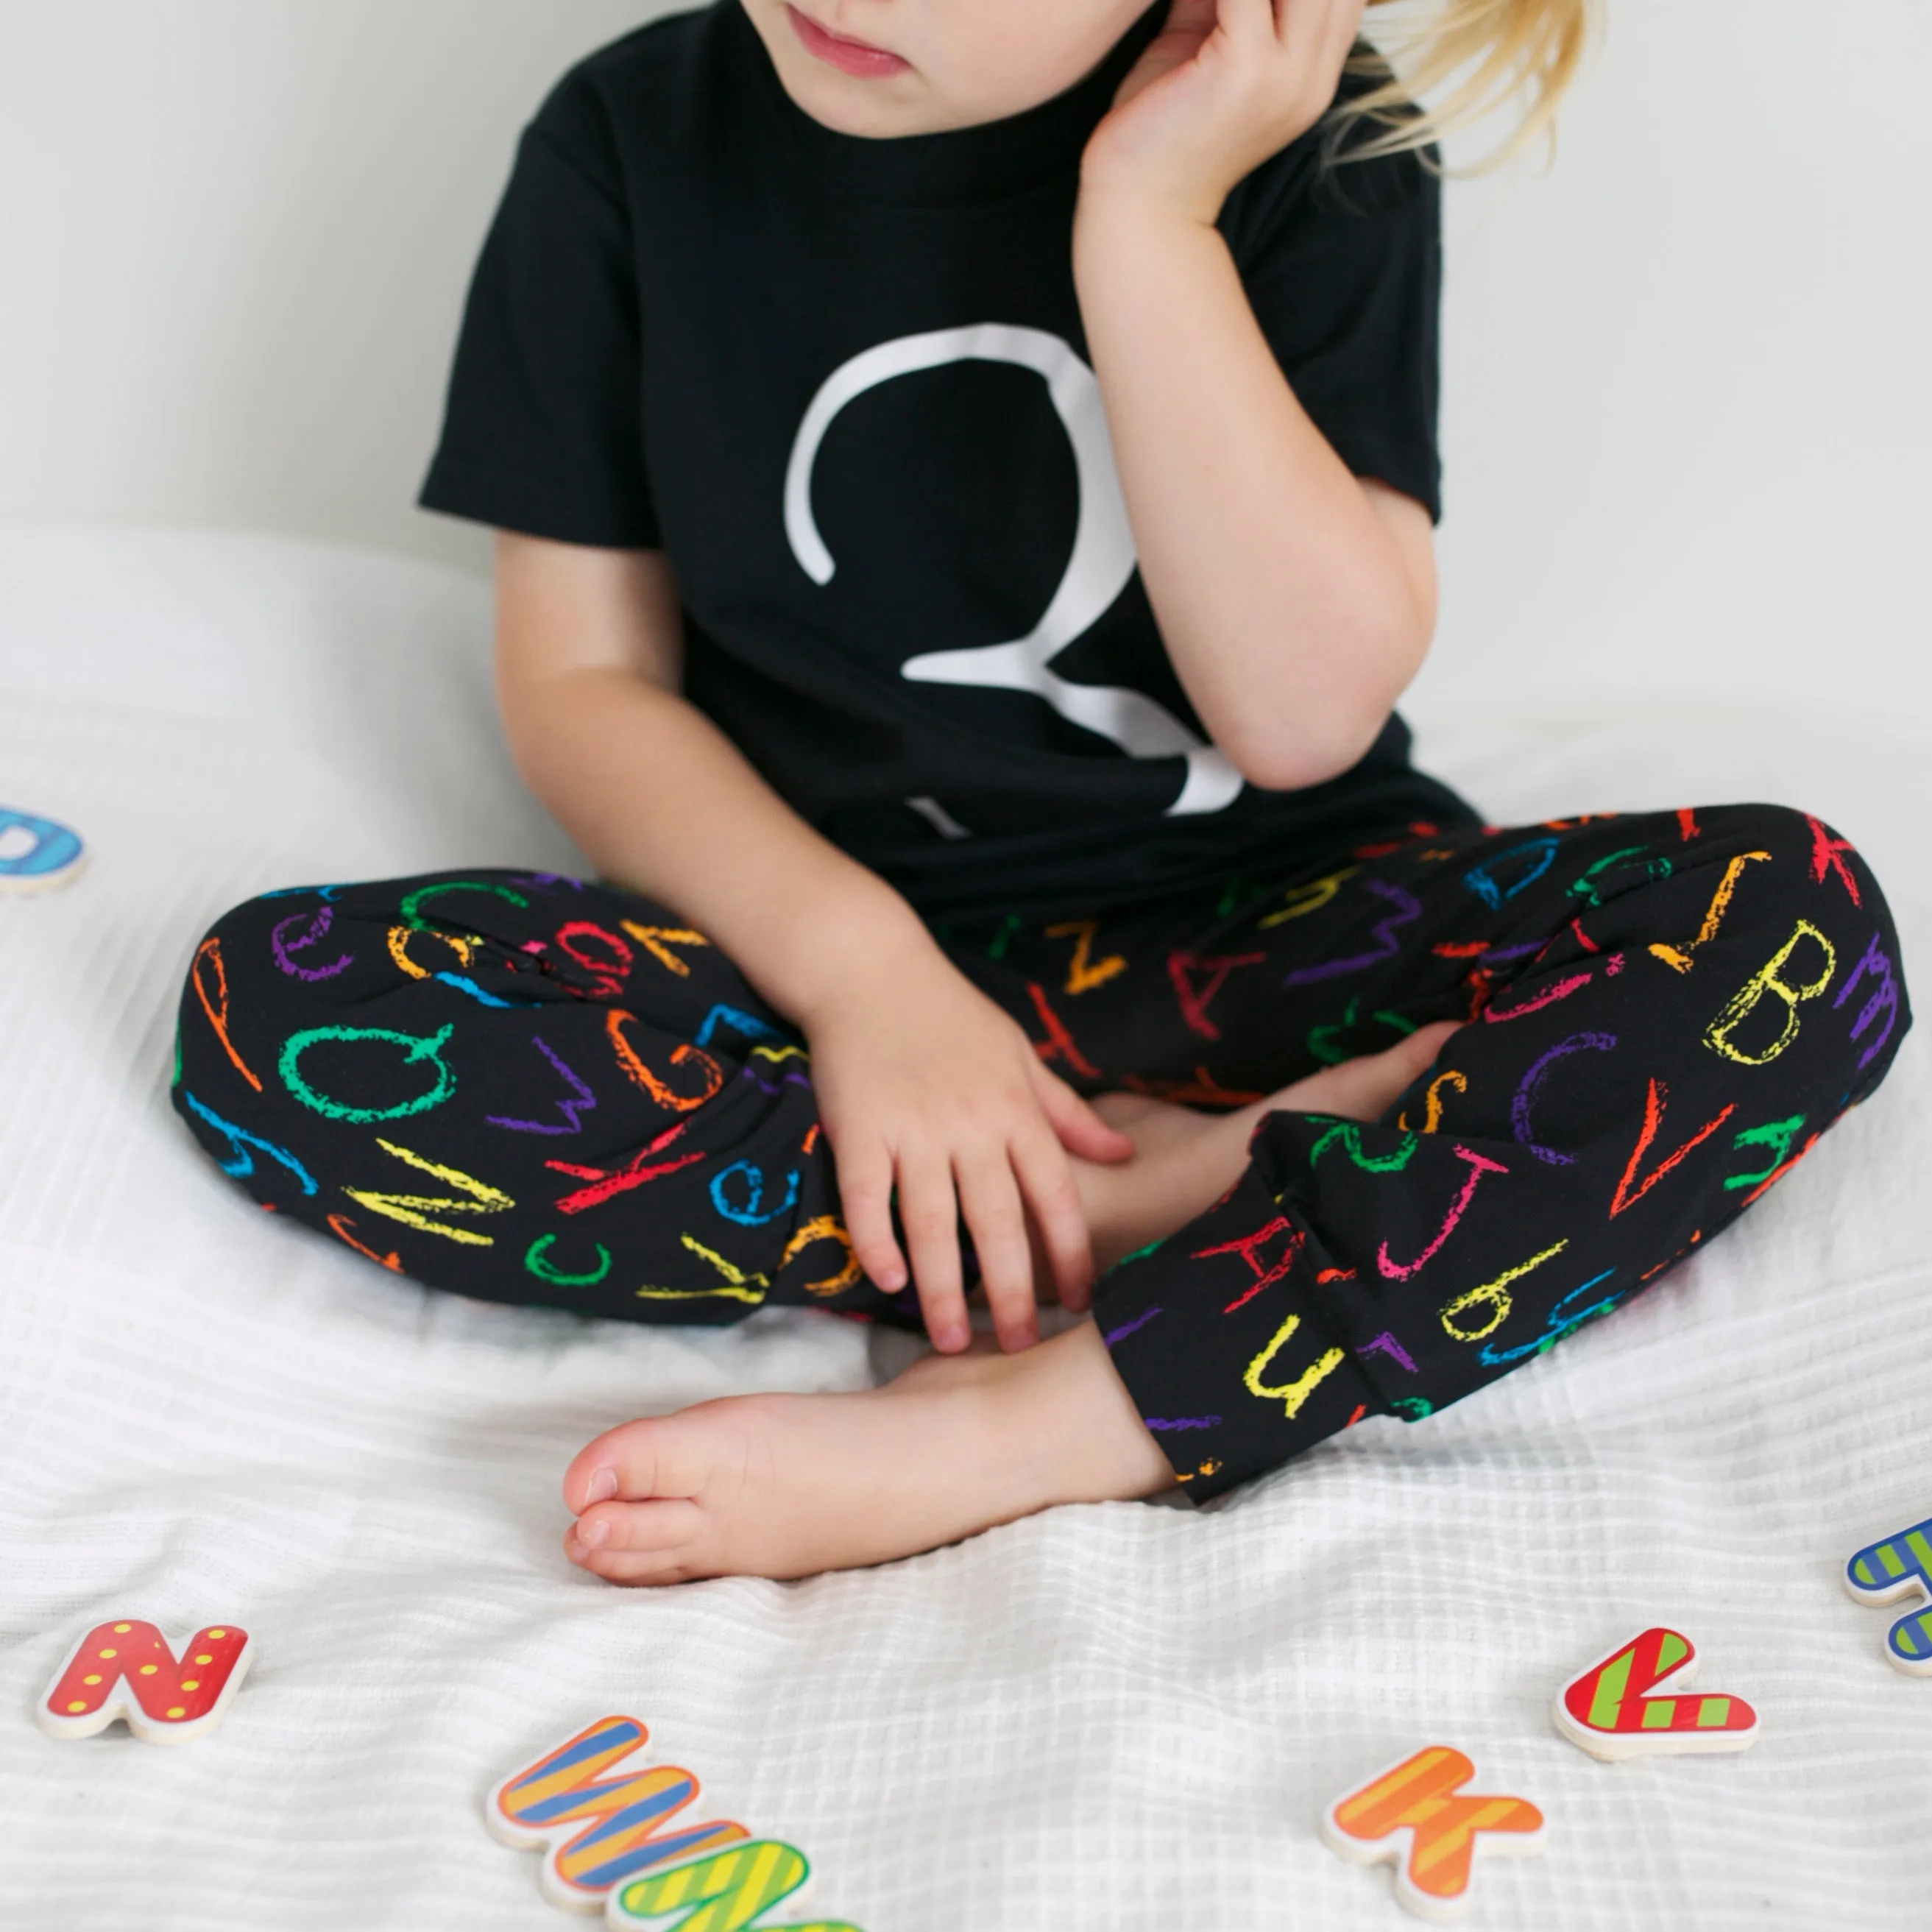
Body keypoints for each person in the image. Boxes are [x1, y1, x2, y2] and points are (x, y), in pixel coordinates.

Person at [173, 0, 1908, 1585]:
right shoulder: (630, 136)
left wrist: (1149, 220)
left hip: (1265, 938)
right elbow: (581, 683)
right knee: (276, 1014)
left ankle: (1063, 1416)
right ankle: (1109, 1208)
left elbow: (1300, 716)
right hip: (817, 984)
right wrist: (867, 982)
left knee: (1789, 930)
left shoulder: (1325, 162)